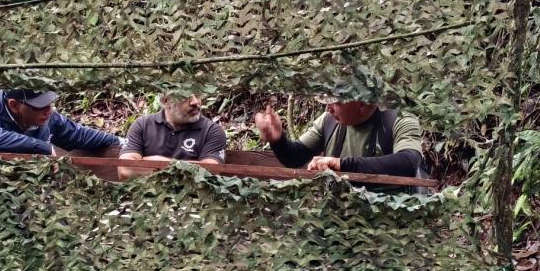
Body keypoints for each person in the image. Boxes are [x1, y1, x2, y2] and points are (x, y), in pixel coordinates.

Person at [253, 100, 425, 179]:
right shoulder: (328, 121)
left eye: (336, 103)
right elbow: (296, 157)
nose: (328, 108)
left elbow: (409, 161)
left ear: (363, 103)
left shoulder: (399, 119)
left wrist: (342, 164)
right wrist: (277, 139)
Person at [0, 89, 119, 154]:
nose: (48, 111)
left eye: (50, 104)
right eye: (40, 106)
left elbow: (79, 134)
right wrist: (44, 148)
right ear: (14, 105)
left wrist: (121, 142)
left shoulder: (48, 116)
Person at [118, 94, 227, 180]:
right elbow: (125, 170)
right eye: (185, 97)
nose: (195, 102)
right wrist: (189, 169)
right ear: (166, 101)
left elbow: (210, 173)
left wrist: (157, 162)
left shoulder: (212, 131)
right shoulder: (143, 124)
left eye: (197, 95)